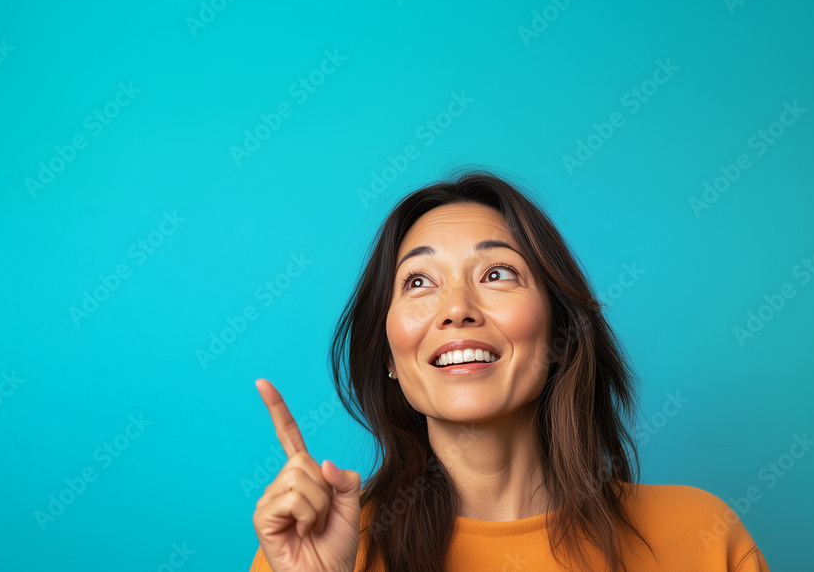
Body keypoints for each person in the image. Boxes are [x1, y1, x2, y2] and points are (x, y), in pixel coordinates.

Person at [247, 170, 770, 572]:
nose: (457, 308)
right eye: (419, 282)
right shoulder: (315, 547)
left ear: (561, 336)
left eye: (497, 273)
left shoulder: (701, 535)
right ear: (388, 355)